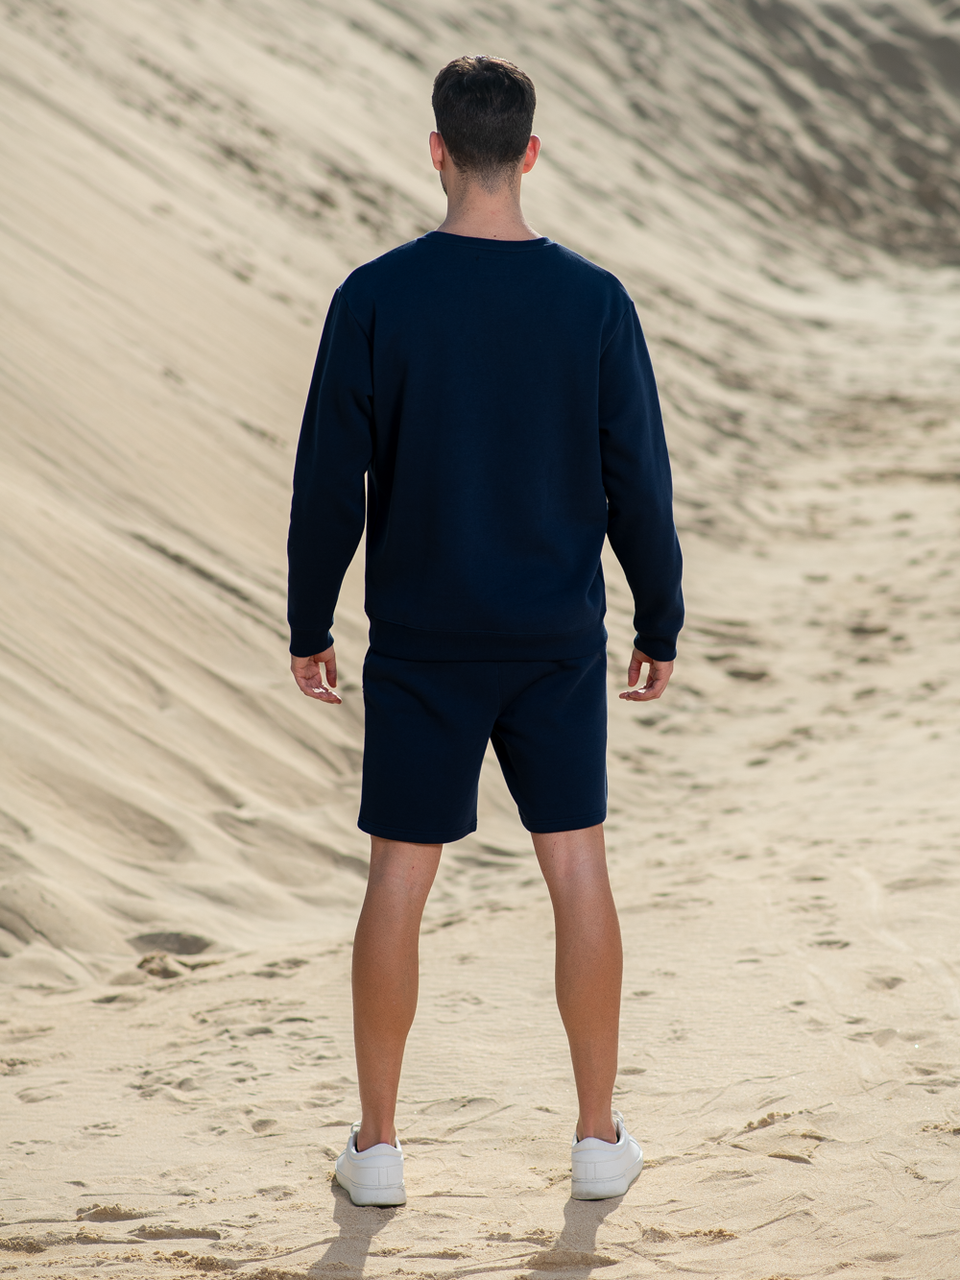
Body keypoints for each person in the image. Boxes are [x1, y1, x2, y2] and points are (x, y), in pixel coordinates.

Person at [287, 54, 683, 1207]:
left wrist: (309, 616)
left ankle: (378, 1146)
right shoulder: (594, 301)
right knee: (578, 866)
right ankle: (599, 1137)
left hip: (423, 640)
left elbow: (329, 480)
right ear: (532, 153)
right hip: (554, 637)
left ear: (438, 150)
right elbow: (638, 480)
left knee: (399, 880)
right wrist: (659, 612)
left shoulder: (376, 296)